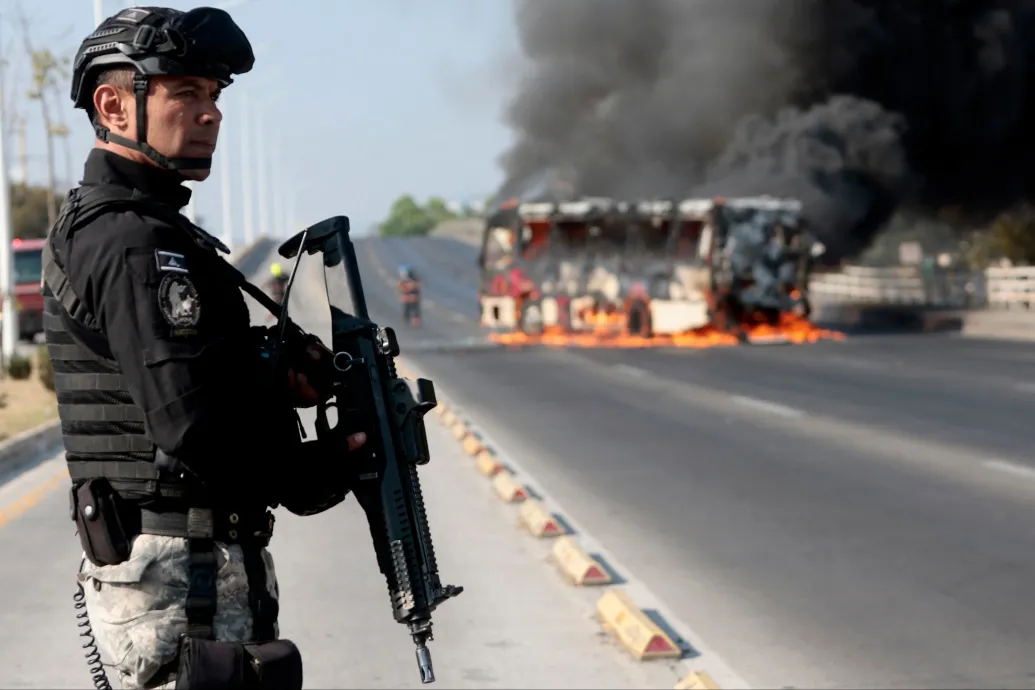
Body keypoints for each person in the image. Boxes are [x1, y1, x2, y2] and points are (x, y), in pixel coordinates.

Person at [41, 6, 366, 689]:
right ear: (113, 106)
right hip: (179, 592)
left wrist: (274, 372)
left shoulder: (152, 231)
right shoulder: (134, 243)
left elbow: (195, 378)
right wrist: (316, 469)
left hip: (195, 578)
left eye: (214, 94)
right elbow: (192, 426)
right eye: (185, 92)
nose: (210, 113)